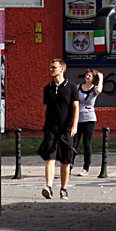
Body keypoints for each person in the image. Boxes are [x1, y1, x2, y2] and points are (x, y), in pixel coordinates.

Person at [38, 59, 78, 199]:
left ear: (62, 69)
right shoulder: (47, 88)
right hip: (51, 128)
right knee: (50, 157)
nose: (51, 70)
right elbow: (46, 108)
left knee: (66, 160)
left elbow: (76, 107)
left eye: (54, 67)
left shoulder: (71, 87)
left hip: (66, 129)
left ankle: (63, 188)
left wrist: (74, 125)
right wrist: (44, 124)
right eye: (50, 67)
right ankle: (48, 186)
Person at [73, 69, 103, 176]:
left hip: (89, 119)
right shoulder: (78, 87)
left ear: (93, 79)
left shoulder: (95, 89)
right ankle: (69, 165)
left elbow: (99, 90)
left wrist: (101, 78)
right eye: (86, 75)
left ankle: (86, 168)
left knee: (87, 143)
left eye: (90, 76)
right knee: (74, 143)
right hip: (78, 118)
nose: (87, 77)